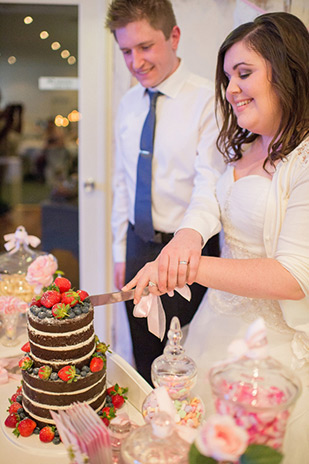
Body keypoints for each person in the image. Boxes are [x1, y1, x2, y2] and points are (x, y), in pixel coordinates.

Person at [123, 12, 309, 462]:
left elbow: (293, 275)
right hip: (214, 324)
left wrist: (189, 266)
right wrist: (187, 237)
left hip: (274, 347)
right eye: (227, 77)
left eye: (244, 73)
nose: (230, 89)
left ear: (288, 71)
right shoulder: (242, 144)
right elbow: (208, 196)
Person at [105, 0, 224, 384]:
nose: (135, 61)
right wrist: (119, 250)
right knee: (143, 354)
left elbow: (211, 183)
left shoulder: (208, 101)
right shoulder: (127, 103)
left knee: (184, 360)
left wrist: (183, 246)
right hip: (137, 245)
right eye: (125, 51)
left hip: (190, 250)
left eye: (144, 47)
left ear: (173, 37)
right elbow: (123, 181)